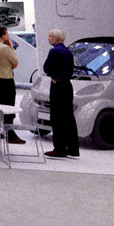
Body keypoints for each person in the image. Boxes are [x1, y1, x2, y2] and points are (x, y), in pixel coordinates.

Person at [43, 29, 80, 158]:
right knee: (68, 117)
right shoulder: (68, 52)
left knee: (57, 117)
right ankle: (73, 148)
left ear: (57, 38)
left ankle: (59, 148)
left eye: (50, 36)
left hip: (57, 85)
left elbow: (47, 68)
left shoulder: (54, 51)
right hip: (67, 86)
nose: (48, 38)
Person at [0, 27, 24, 144]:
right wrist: (11, 47)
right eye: (7, 33)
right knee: (9, 107)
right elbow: (15, 61)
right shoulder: (5, 48)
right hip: (6, 79)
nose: (8, 35)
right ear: (3, 35)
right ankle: (10, 134)